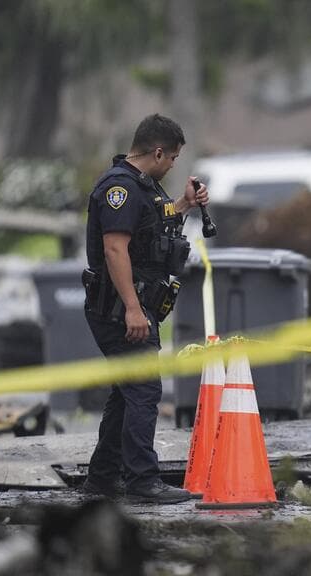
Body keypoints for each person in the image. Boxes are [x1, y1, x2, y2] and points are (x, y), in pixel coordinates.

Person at [80, 113, 208, 504]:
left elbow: (151, 225)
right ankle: (143, 481)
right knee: (145, 390)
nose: (172, 165)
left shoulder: (142, 187)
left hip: (132, 305)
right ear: (157, 151)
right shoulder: (119, 188)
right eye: (172, 158)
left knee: (127, 391)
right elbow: (115, 248)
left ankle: (102, 478)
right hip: (120, 309)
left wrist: (184, 203)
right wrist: (134, 309)